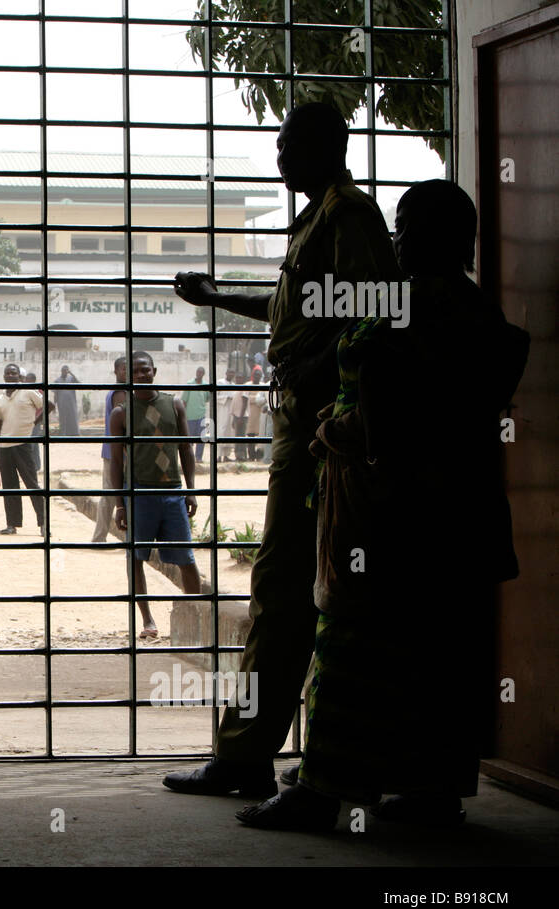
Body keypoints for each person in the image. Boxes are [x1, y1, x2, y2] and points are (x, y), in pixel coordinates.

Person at [236, 180, 529, 830]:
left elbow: (394, 411)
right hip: (457, 516)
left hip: (388, 517)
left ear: (431, 235)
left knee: (353, 646)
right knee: (441, 654)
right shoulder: (474, 310)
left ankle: (325, 789)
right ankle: (427, 791)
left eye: (404, 227)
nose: (395, 239)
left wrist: (337, 431)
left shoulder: (410, 310)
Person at [166, 101, 403, 798]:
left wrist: (318, 366)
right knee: (284, 589)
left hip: (322, 432)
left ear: (330, 147)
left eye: (291, 142)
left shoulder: (349, 218)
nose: (280, 155)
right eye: (279, 143)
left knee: (289, 588)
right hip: (302, 427)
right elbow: (296, 310)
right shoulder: (317, 225)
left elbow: (377, 310)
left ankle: (252, 757)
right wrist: (216, 298)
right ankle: (247, 753)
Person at [109, 351, 203, 640]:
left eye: (145, 370)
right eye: (135, 371)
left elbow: (186, 449)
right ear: (126, 375)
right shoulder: (121, 413)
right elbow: (116, 461)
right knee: (136, 559)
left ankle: (194, 616)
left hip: (172, 492)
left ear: (154, 371)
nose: (141, 375)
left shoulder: (174, 404)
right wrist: (120, 503)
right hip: (139, 494)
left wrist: (191, 490)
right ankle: (148, 620)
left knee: (186, 558)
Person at [0, 363, 45, 535]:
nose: (11, 376)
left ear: (19, 376)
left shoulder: (28, 392)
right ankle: (12, 524)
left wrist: (33, 423)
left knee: (32, 484)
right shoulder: (0, 400)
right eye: (8, 373)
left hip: (23, 446)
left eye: (14, 373)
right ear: (4, 377)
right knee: (10, 487)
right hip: (4, 448)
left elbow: (47, 406)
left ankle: (43, 522)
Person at [92, 356, 131, 542]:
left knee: (109, 494)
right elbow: (123, 424)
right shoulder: (121, 393)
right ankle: (100, 538)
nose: (127, 372)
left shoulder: (116, 391)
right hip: (119, 452)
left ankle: (100, 537)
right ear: (116, 371)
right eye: (124, 369)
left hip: (112, 450)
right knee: (112, 495)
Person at [183, 366, 210, 463]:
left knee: (202, 438)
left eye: (201, 372)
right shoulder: (189, 384)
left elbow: (207, 398)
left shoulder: (206, 385)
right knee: (190, 439)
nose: (199, 374)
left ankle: (198, 457)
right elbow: (184, 401)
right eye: (198, 372)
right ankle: (189, 458)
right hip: (190, 416)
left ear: (203, 374)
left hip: (201, 415)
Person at [246, 366, 268, 461]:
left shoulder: (263, 385)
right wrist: (257, 399)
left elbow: (265, 398)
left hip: (261, 414)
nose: (257, 377)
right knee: (250, 435)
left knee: (261, 435)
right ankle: (251, 456)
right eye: (255, 375)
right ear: (252, 375)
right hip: (251, 414)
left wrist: (255, 399)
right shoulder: (247, 385)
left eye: (259, 375)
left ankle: (259, 456)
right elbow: (247, 397)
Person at [55, 365, 81, 436]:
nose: (65, 372)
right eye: (64, 371)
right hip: (62, 404)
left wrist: (71, 373)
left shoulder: (71, 379)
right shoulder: (57, 381)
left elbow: (79, 383)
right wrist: (55, 404)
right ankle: (63, 434)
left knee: (73, 418)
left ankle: (75, 433)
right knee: (63, 419)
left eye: (67, 371)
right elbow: (56, 394)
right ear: (61, 371)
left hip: (71, 403)